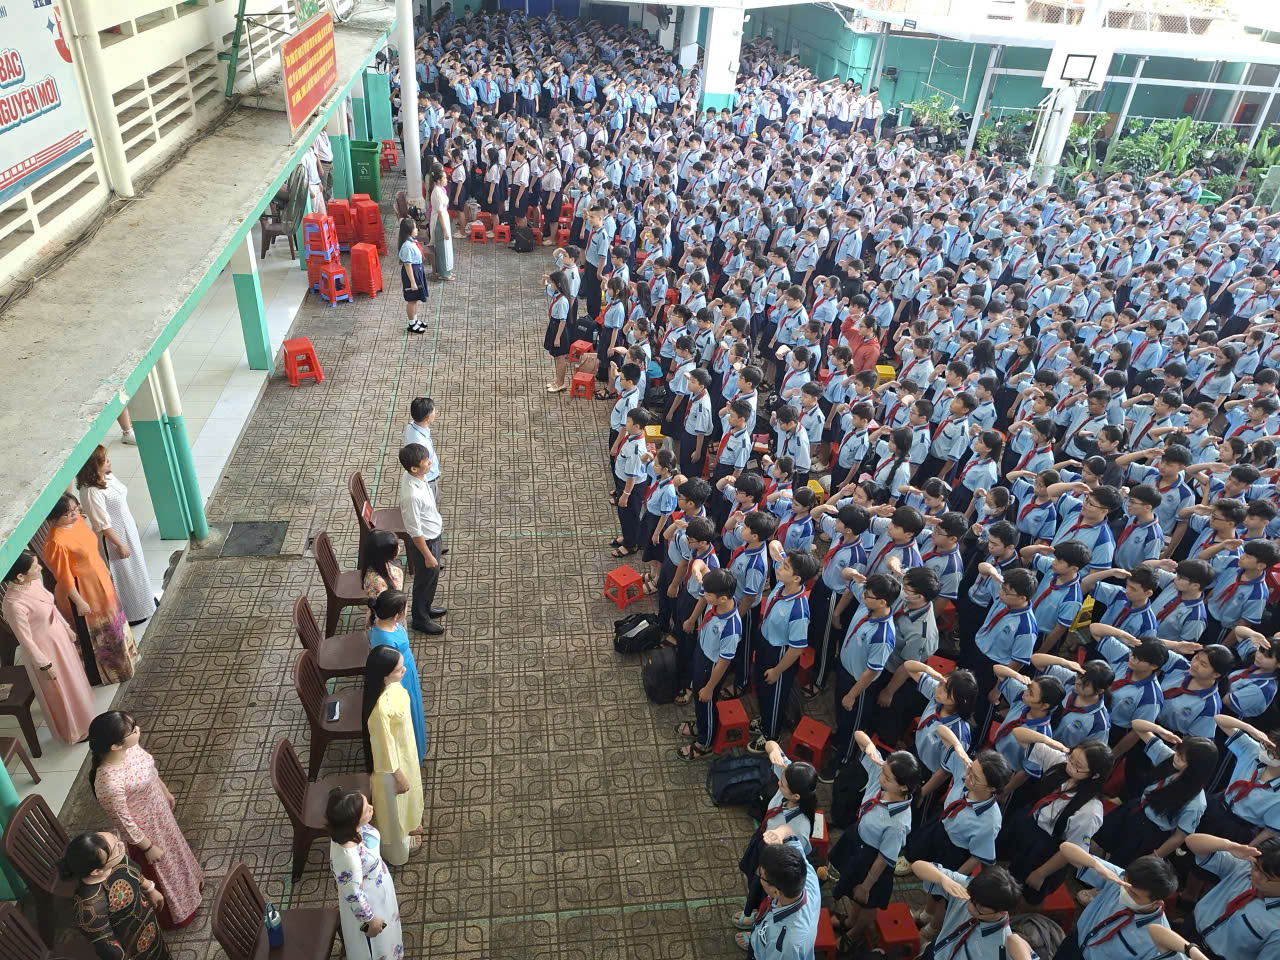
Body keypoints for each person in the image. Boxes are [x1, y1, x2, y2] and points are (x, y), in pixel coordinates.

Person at [86, 711, 203, 929]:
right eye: (132, 731)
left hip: (161, 815)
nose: (138, 731)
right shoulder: (108, 783)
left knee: (176, 854)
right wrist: (147, 847)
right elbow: (123, 821)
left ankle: (191, 887)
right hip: (146, 832)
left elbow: (150, 770)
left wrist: (164, 791)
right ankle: (176, 913)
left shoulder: (130, 749)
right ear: (115, 746)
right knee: (163, 869)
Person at [43, 492, 138, 685]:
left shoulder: (77, 521)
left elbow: (91, 550)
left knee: (113, 620)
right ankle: (108, 673)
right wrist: (79, 602)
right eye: (68, 513)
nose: (75, 515)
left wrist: (103, 569)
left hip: (98, 579)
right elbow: (63, 576)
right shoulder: (55, 542)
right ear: (54, 517)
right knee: (97, 632)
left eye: (75, 509)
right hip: (82, 589)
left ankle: (126, 662)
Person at [1, 550, 94, 744]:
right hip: (44, 650)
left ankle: (87, 719)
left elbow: (50, 606)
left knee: (74, 679)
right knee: (61, 690)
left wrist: (66, 628)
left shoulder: (33, 581)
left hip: (58, 638)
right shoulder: (13, 604)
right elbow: (25, 640)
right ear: (20, 576)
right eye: (35, 567)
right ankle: (74, 731)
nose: (40, 568)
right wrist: (44, 665)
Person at [731, 740, 818, 926]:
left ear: (796, 796)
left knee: (763, 891)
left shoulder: (800, 827)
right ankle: (752, 908)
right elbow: (771, 744)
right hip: (763, 839)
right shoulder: (790, 776)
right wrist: (773, 751)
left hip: (775, 861)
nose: (779, 782)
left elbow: (793, 859)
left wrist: (778, 838)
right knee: (752, 878)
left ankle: (754, 919)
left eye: (783, 785)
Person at [1052, 843, 1178, 960]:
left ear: (1156, 903)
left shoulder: (1157, 937)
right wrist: (1097, 865)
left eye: (1134, 894)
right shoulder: (1118, 879)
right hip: (1075, 942)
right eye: (1125, 885)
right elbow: (1066, 848)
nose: (1124, 891)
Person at [61, 830, 170, 960]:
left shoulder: (114, 859)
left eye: (116, 839)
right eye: (116, 848)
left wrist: (150, 889)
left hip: (151, 928)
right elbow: (109, 948)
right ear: (97, 871)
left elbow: (133, 870)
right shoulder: (89, 907)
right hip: (132, 950)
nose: (121, 845)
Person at [76, 446, 154, 625]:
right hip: (114, 538)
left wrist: (131, 521)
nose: (109, 461)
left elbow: (120, 503)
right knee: (123, 574)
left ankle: (145, 602)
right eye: (104, 460)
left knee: (137, 568)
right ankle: (131, 613)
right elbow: (102, 524)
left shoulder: (107, 477)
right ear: (93, 466)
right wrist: (119, 544)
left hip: (126, 529)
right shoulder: (91, 492)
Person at [360, 645, 424, 866]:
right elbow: (384, 747)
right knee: (395, 809)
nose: (404, 671)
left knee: (409, 797)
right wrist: (398, 775)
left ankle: (411, 823)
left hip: (405, 751)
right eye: (398, 669)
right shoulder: (380, 710)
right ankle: (398, 849)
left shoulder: (392, 687)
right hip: (392, 767)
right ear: (384, 676)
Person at [326, 787, 404, 960]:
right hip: (370, 901)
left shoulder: (345, 830)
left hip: (378, 886)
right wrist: (371, 920)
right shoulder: (348, 857)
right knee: (377, 944)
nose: (372, 808)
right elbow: (354, 894)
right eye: (367, 809)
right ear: (353, 821)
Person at [367, 589, 427, 761]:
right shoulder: (385, 639)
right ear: (396, 615)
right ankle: (414, 753)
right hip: (399, 677)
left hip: (404, 667)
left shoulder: (382, 623)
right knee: (408, 709)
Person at [739, 836, 821, 958]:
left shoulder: (784, 945)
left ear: (776, 892)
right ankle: (760, 937)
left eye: (761, 875)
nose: (759, 875)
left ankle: (760, 939)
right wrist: (779, 832)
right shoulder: (806, 878)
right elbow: (792, 838)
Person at [397, 443, 445, 635]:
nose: (429, 462)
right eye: (425, 461)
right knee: (424, 581)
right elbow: (415, 531)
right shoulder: (412, 496)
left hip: (433, 533)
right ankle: (420, 619)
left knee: (431, 579)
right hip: (426, 542)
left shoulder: (415, 476)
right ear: (414, 468)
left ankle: (426, 608)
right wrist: (427, 555)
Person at [398, 217, 430, 333]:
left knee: (415, 298)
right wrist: (412, 282)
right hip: (412, 273)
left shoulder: (412, 241)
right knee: (411, 300)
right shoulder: (407, 246)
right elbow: (407, 265)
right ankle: (412, 324)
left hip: (417, 270)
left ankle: (415, 320)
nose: (417, 230)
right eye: (415, 228)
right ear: (408, 231)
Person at [427, 161, 453, 281]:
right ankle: (443, 273)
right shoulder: (437, 192)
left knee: (446, 247)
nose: (446, 180)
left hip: (443, 219)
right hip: (439, 222)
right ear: (438, 180)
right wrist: (445, 230)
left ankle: (446, 270)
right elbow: (440, 213)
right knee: (442, 248)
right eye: (444, 178)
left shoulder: (440, 189)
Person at [361, 529, 405, 599]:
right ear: (386, 554)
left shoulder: (374, 563)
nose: (399, 548)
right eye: (396, 547)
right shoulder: (378, 584)